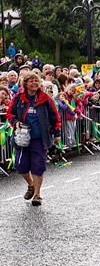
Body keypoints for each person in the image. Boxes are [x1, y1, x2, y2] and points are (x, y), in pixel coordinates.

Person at [6, 71, 61, 206]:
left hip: (39, 138)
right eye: (31, 81)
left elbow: (55, 116)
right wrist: (15, 122)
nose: (34, 83)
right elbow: (9, 113)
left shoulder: (45, 98)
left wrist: (57, 133)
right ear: (25, 83)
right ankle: (31, 185)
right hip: (22, 139)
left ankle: (37, 194)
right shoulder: (18, 98)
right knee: (20, 165)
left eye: (36, 81)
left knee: (38, 166)